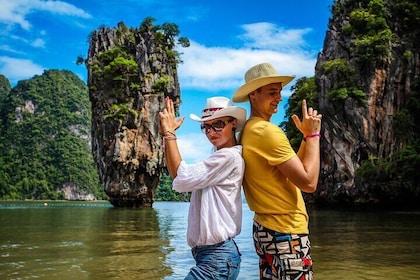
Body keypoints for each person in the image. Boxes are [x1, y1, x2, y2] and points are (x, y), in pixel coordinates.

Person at [232, 63, 322, 280]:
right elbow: (309, 182)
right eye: (272, 92)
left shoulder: (248, 131)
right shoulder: (267, 132)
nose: (279, 98)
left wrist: (304, 138)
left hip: (265, 230)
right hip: (287, 230)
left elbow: (292, 173)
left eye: (280, 92)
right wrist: (313, 137)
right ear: (253, 95)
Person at [159, 96, 247, 280]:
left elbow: (181, 179)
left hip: (216, 259)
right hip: (213, 258)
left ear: (233, 124)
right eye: (206, 127)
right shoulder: (220, 159)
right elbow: (178, 177)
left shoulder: (229, 157)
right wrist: (166, 136)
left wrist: (169, 134)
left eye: (218, 125)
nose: (211, 132)